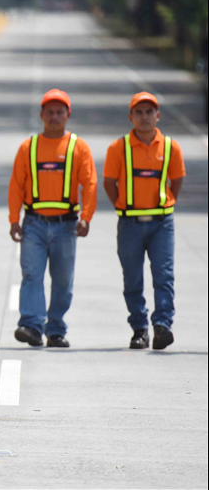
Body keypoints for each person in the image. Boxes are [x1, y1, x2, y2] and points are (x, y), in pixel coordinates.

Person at [8, 89, 96, 348]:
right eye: (50, 112)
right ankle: (32, 326)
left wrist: (86, 217)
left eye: (60, 112)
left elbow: (89, 184)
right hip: (33, 224)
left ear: (68, 115)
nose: (54, 117)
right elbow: (16, 186)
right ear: (41, 115)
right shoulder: (29, 147)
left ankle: (55, 329)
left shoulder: (78, 147)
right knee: (32, 275)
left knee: (62, 281)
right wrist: (14, 220)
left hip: (66, 226)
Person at [103, 92, 185, 350]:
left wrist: (166, 202)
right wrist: (124, 205)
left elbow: (177, 179)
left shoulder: (171, 147)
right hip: (130, 224)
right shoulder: (118, 148)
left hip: (161, 223)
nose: (144, 117)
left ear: (158, 116)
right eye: (139, 112)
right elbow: (109, 182)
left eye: (149, 112)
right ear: (131, 117)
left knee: (163, 275)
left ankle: (162, 326)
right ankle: (139, 328)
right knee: (133, 279)